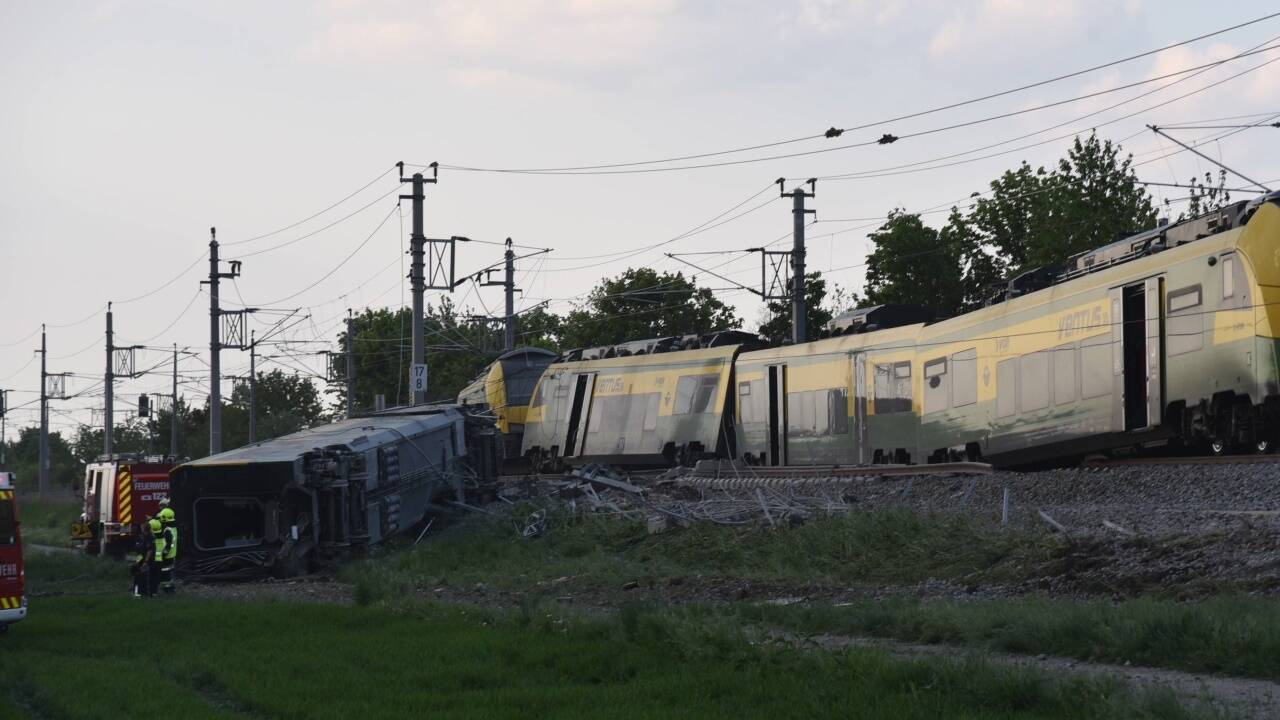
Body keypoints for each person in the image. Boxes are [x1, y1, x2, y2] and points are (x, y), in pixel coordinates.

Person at [157, 506, 177, 594]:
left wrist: (163, 554)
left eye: (161, 517)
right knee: (169, 573)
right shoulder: (174, 528)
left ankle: (168, 590)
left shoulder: (167, 530)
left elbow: (168, 545)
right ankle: (170, 588)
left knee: (165, 573)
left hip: (167, 556)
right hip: (172, 554)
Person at [147, 518, 164, 597]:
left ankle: (150, 593)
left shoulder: (151, 539)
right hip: (160, 561)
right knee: (156, 578)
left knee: (151, 578)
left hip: (152, 561)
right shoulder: (163, 539)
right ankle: (155, 593)